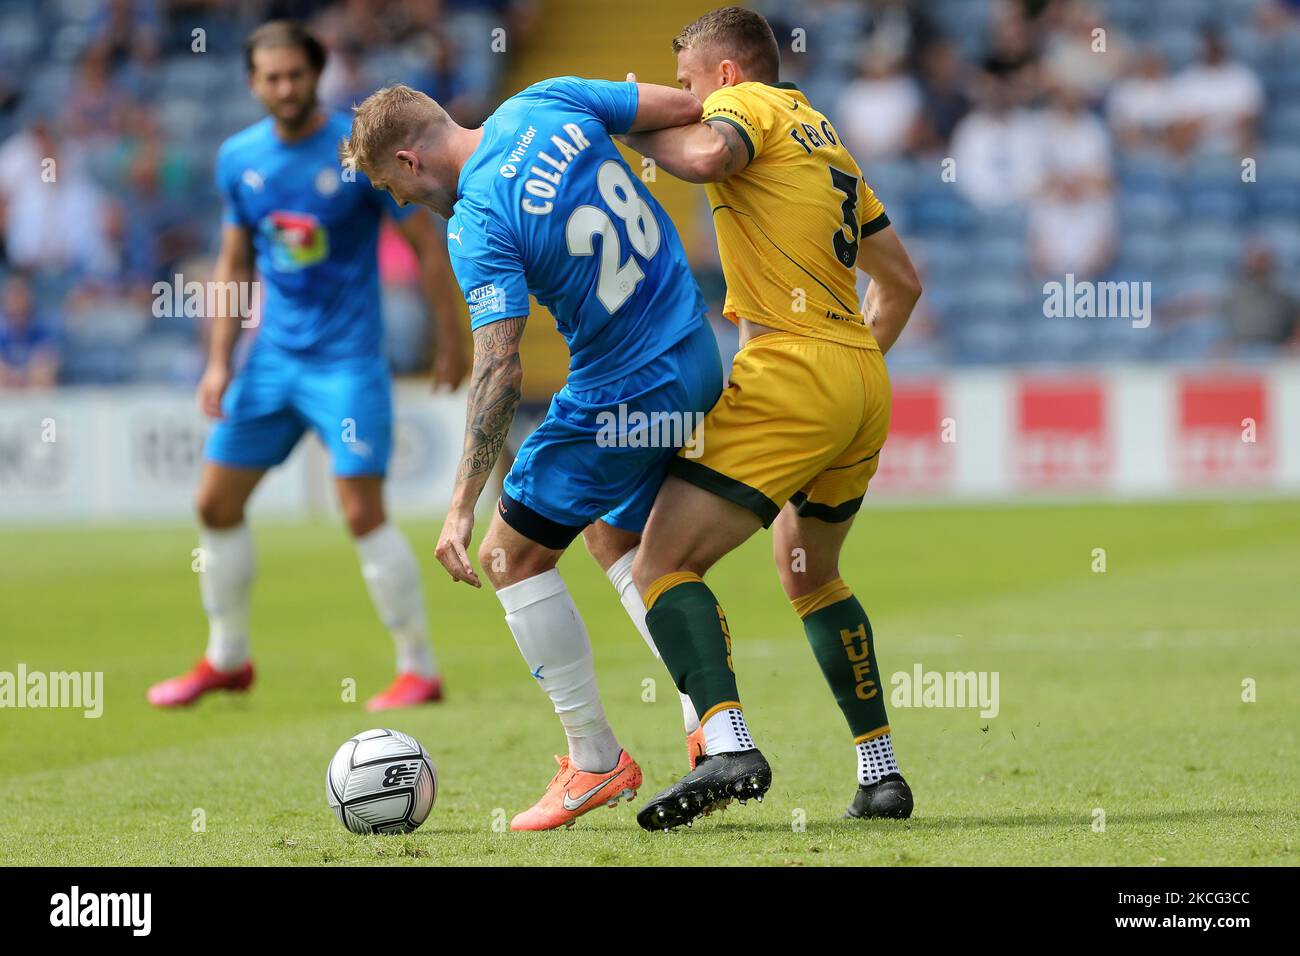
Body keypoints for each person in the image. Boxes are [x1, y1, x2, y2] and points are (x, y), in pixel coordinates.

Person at [342, 74, 722, 830]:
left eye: (391, 185)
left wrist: (457, 505)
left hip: (626, 385)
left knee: (509, 555)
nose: (398, 202)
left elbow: (499, 368)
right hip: (697, 352)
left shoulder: (476, 218)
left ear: (412, 161)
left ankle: (594, 761)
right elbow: (688, 107)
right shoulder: (546, 101)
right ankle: (707, 719)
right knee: (611, 532)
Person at [615, 6, 923, 830]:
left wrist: (630, 124)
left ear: (724, 73)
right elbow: (903, 284)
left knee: (661, 566)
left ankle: (730, 744)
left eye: (686, 84)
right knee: (809, 570)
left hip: (789, 368)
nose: (683, 100)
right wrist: (845, 383)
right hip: (859, 376)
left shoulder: (744, 106)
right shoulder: (823, 132)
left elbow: (710, 155)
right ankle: (880, 773)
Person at [147, 21, 466, 713]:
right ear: (253, 83)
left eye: (296, 74)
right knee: (213, 503)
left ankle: (418, 667)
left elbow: (424, 242)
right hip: (271, 363)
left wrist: (452, 336)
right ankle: (227, 657)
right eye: (272, 76)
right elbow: (234, 262)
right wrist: (217, 363)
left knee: (361, 510)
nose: (286, 87)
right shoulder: (239, 158)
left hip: (347, 363)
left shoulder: (356, 155)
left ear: (316, 74)